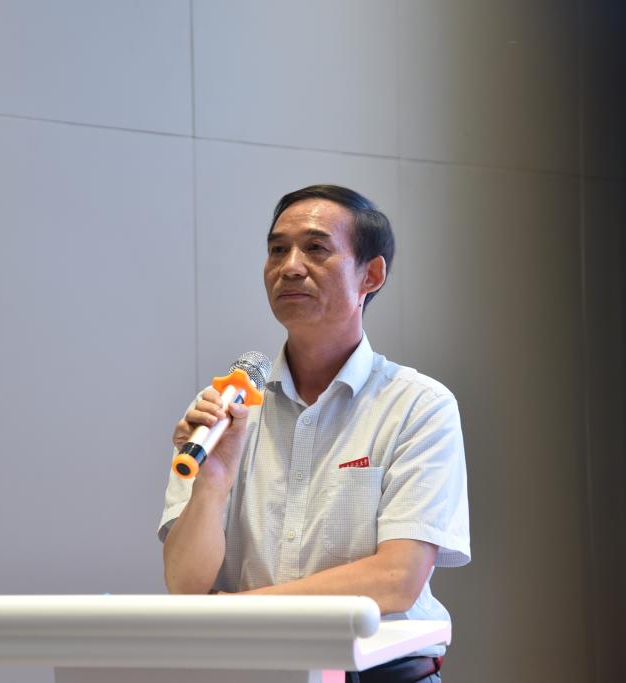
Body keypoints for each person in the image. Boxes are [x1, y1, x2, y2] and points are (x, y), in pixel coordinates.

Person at [159, 185, 470, 683]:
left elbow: (396, 579)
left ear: (371, 275)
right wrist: (212, 481)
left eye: (316, 248)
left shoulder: (418, 406)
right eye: (277, 249)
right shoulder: (225, 410)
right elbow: (185, 586)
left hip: (380, 674)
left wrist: (237, 610)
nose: (289, 267)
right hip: (248, 672)